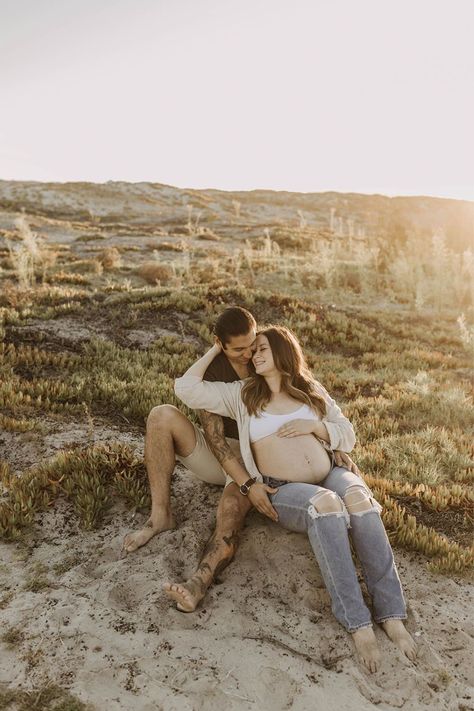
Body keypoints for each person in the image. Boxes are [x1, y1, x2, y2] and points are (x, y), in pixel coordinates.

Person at [166, 325, 417, 673]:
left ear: (284, 352)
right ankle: (358, 623)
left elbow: (348, 434)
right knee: (326, 505)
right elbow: (185, 388)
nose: (255, 354)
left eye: (262, 348)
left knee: (359, 496)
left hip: (329, 471)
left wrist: (317, 429)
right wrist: (214, 349)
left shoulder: (309, 390)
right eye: (253, 351)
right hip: (282, 488)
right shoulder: (243, 394)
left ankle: (392, 615)